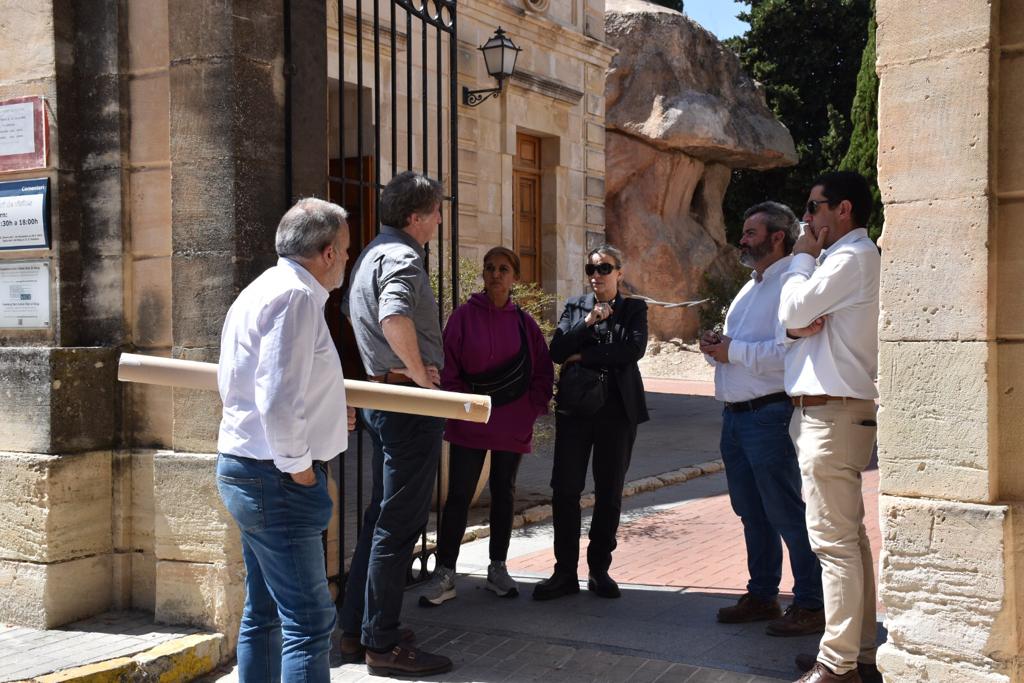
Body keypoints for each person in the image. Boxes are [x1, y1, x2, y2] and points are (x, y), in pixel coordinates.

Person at [215, 198, 356, 683]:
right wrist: (299, 469)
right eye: (346, 250)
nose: (346, 261)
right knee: (310, 621)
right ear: (327, 252)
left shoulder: (264, 289)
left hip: (250, 469)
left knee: (266, 612)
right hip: (275, 479)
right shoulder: (295, 296)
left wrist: (331, 411)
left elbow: (258, 385)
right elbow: (275, 398)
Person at [339, 170, 452, 677]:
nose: (439, 219)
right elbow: (392, 316)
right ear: (415, 217)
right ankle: (381, 645)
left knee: (380, 517)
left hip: (382, 397)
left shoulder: (369, 254)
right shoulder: (403, 256)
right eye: (435, 211)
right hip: (406, 403)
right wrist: (419, 379)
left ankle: (355, 628)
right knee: (397, 524)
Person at [700, 202, 824, 637]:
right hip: (736, 418)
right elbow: (745, 345)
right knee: (752, 512)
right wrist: (719, 344)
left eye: (752, 232)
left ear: (778, 237)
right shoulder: (753, 285)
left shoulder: (791, 280)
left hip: (767, 416)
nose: (743, 239)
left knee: (786, 512)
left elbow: (785, 356)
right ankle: (763, 595)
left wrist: (730, 350)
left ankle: (811, 603)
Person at [779, 171, 882, 683]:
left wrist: (799, 257)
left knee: (833, 544)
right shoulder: (842, 262)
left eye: (814, 208)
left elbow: (794, 309)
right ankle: (858, 653)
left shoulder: (850, 258)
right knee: (850, 541)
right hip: (829, 412)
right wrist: (798, 324)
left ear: (843, 209)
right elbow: (794, 326)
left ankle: (837, 664)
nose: (808, 220)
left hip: (832, 414)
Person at [418, 247, 554, 606]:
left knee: (504, 494)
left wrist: (529, 409)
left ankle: (498, 567)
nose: (496, 274)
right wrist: (465, 407)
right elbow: (448, 368)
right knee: (459, 495)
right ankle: (445, 572)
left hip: (512, 424)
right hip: (470, 423)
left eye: (504, 269)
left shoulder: (525, 324)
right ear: (483, 273)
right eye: (490, 268)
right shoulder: (463, 317)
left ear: (514, 278)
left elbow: (542, 371)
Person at [533, 244, 649, 601]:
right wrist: (587, 324)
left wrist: (583, 355)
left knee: (608, 492)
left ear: (620, 273)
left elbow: (633, 350)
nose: (597, 275)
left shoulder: (633, 309)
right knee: (565, 490)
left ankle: (599, 569)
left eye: (605, 268)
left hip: (617, 412)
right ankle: (564, 572)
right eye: (591, 269)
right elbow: (556, 351)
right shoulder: (575, 307)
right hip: (576, 412)